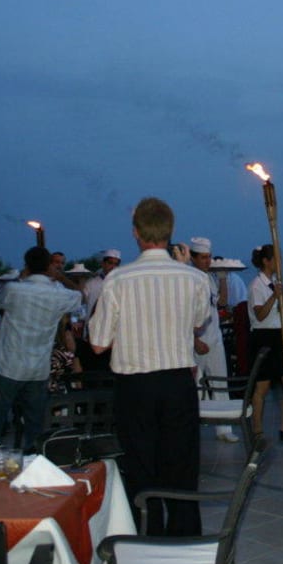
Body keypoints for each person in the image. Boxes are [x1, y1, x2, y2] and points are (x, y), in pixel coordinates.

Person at [88, 197, 210, 535]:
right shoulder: (194, 279)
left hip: (135, 386)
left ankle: (147, 535)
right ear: (170, 231)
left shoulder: (118, 279)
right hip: (177, 383)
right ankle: (184, 537)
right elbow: (199, 322)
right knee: (182, 466)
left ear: (136, 233)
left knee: (141, 466)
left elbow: (98, 343)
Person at [0, 246, 82, 449]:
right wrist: (60, 277)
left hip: (7, 365)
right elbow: (81, 295)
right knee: (35, 428)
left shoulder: (13, 290)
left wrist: (22, 277)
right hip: (38, 368)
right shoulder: (59, 294)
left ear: (26, 265)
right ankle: (34, 461)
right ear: (49, 266)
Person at [247, 244, 283, 443]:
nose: (280, 263)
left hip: (279, 336)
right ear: (266, 261)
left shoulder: (274, 283)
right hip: (263, 337)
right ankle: (257, 431)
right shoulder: (257, 285)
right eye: (276, 259)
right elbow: (260, 315)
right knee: (262, 387)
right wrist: (274, 296)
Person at [190, 236, 238, 443]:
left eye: (209, 257)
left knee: (220, 383)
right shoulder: (190, 280)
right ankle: (190, 429)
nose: (207, 261)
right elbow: (184, 314)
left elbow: (221, 302)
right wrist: (194, 341)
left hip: (215, 339)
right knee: (194, 387)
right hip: (196, 341)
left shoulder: (209, 278)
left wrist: (223, 278)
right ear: (193, 258)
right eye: (203, 257)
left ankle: (224, 428)